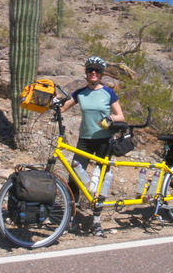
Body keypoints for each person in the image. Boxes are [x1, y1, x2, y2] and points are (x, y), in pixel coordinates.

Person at [60, 56, 125, 237]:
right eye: (90, 70)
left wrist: (110, 118)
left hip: (104, 141)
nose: (93, 73)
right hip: (85, 140)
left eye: (97, 70)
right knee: (74, 176)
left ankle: (96, 220)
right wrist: (45, 103)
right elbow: (62, 108)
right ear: (86, 73)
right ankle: (71, 218)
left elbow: (120, 116)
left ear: (102, 73)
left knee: (101, 179)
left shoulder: (109, 93)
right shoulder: (80, 93)